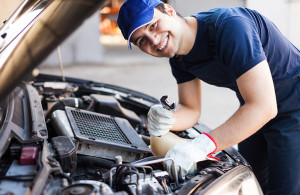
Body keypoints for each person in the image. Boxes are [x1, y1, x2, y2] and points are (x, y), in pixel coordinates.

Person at [117, 0, 300, 194]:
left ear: (169, 10)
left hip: (292, 107)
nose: (153, 40)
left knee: (286, 190)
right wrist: (166, 120)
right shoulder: (179, 58)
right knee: (251, 181)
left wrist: (200, 146)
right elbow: (190, 108)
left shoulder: (230, 27)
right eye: (141, 41)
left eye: (153, 25)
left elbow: (264, 107)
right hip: (253, 107)